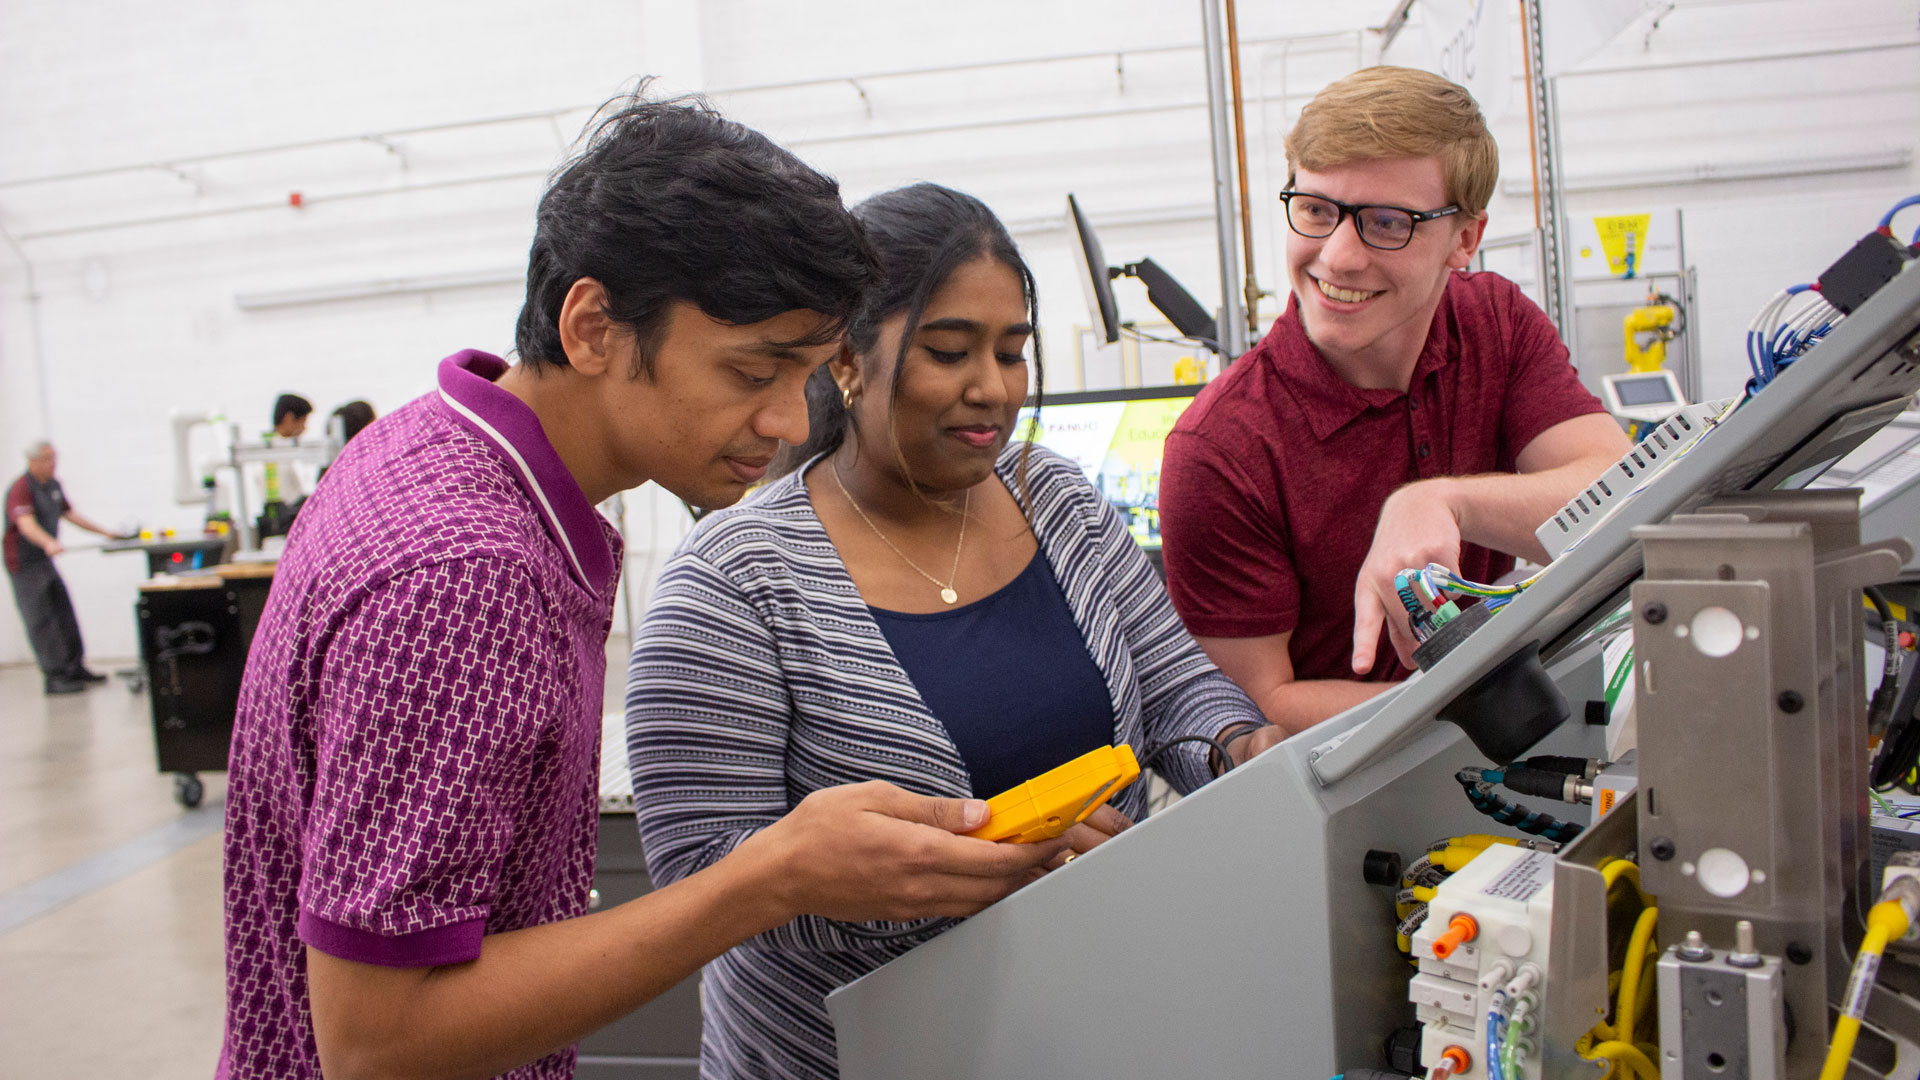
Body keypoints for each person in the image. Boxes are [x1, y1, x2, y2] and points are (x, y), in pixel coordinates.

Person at [219, 96, 1065, 1080]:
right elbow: (378, 1042)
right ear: (593, 327)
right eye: (753, 371)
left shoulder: (421, 445)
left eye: (804, 374)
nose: (792, 421)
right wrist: (771, 878)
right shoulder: (467, 582)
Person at [625, 182, 1271, 1080]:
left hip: (1081, 1024)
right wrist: (975, 865)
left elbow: (1175, 693)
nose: (993, 389)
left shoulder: (1057, 503)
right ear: (848, 359)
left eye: (1013, 352)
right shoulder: (735, 584)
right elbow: (701, 884)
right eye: (948, 350)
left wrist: (1241, 748)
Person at [1159, 66, 1630, 745]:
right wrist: (1460, 701)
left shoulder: (1494, 323)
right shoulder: (1221, 450)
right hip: (1342, 795)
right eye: (1317, 210)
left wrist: (1444, 502)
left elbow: (1619, 497)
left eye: (1388, 223)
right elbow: (1256, 707)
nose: (1339, 257)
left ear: (1465, 239)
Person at [5, 441, 121, 694]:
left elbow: (71, 514)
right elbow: (25, 524)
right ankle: (55, 677)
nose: (53, 463)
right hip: (24, 564)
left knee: (63, 612)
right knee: (41, 620)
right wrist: (48, 542)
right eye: (48, 458)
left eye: (54, 457)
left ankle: (74, 667)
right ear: (33, 461)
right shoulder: (22, 488)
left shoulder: (53, 485)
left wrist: (107, 533)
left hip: (45, 560)